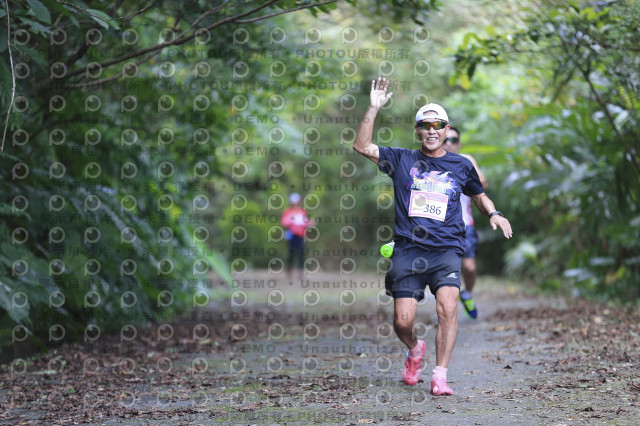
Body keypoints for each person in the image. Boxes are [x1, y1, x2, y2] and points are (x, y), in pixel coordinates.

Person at [353, 77, 512, 396]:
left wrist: (494, 213)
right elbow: (362, 146)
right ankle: (415, 349)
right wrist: (373, 107)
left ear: (446, 129)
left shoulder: (461, 164)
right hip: (408, 250)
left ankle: (440, 376)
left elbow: (479, 195)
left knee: (448, 309)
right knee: (402, 321)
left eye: (437, 125)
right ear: (418, 130)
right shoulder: (401, 159)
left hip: (446, 251)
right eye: (425, 125)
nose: (432, 130)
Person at [443, 127, 488, 319]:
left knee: (469, 267)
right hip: (439, 226)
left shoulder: (465, 160)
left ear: (459, 144)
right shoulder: (431, 161)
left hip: (465, 224)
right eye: (446, 139)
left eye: (453, 140)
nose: (449, 143)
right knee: (444, 269)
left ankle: (467, 294)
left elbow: (482, 184)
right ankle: (444, 308)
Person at [281, 193, 312, 280]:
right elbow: (284, 222)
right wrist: (292, 221)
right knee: (291, 252)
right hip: (291, 235)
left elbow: (305, 222)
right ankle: (289, 269)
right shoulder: (288, 211)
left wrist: (310, 223)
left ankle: (301, 271)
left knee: (301, 252)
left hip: (300, 235)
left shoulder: (302, 211)